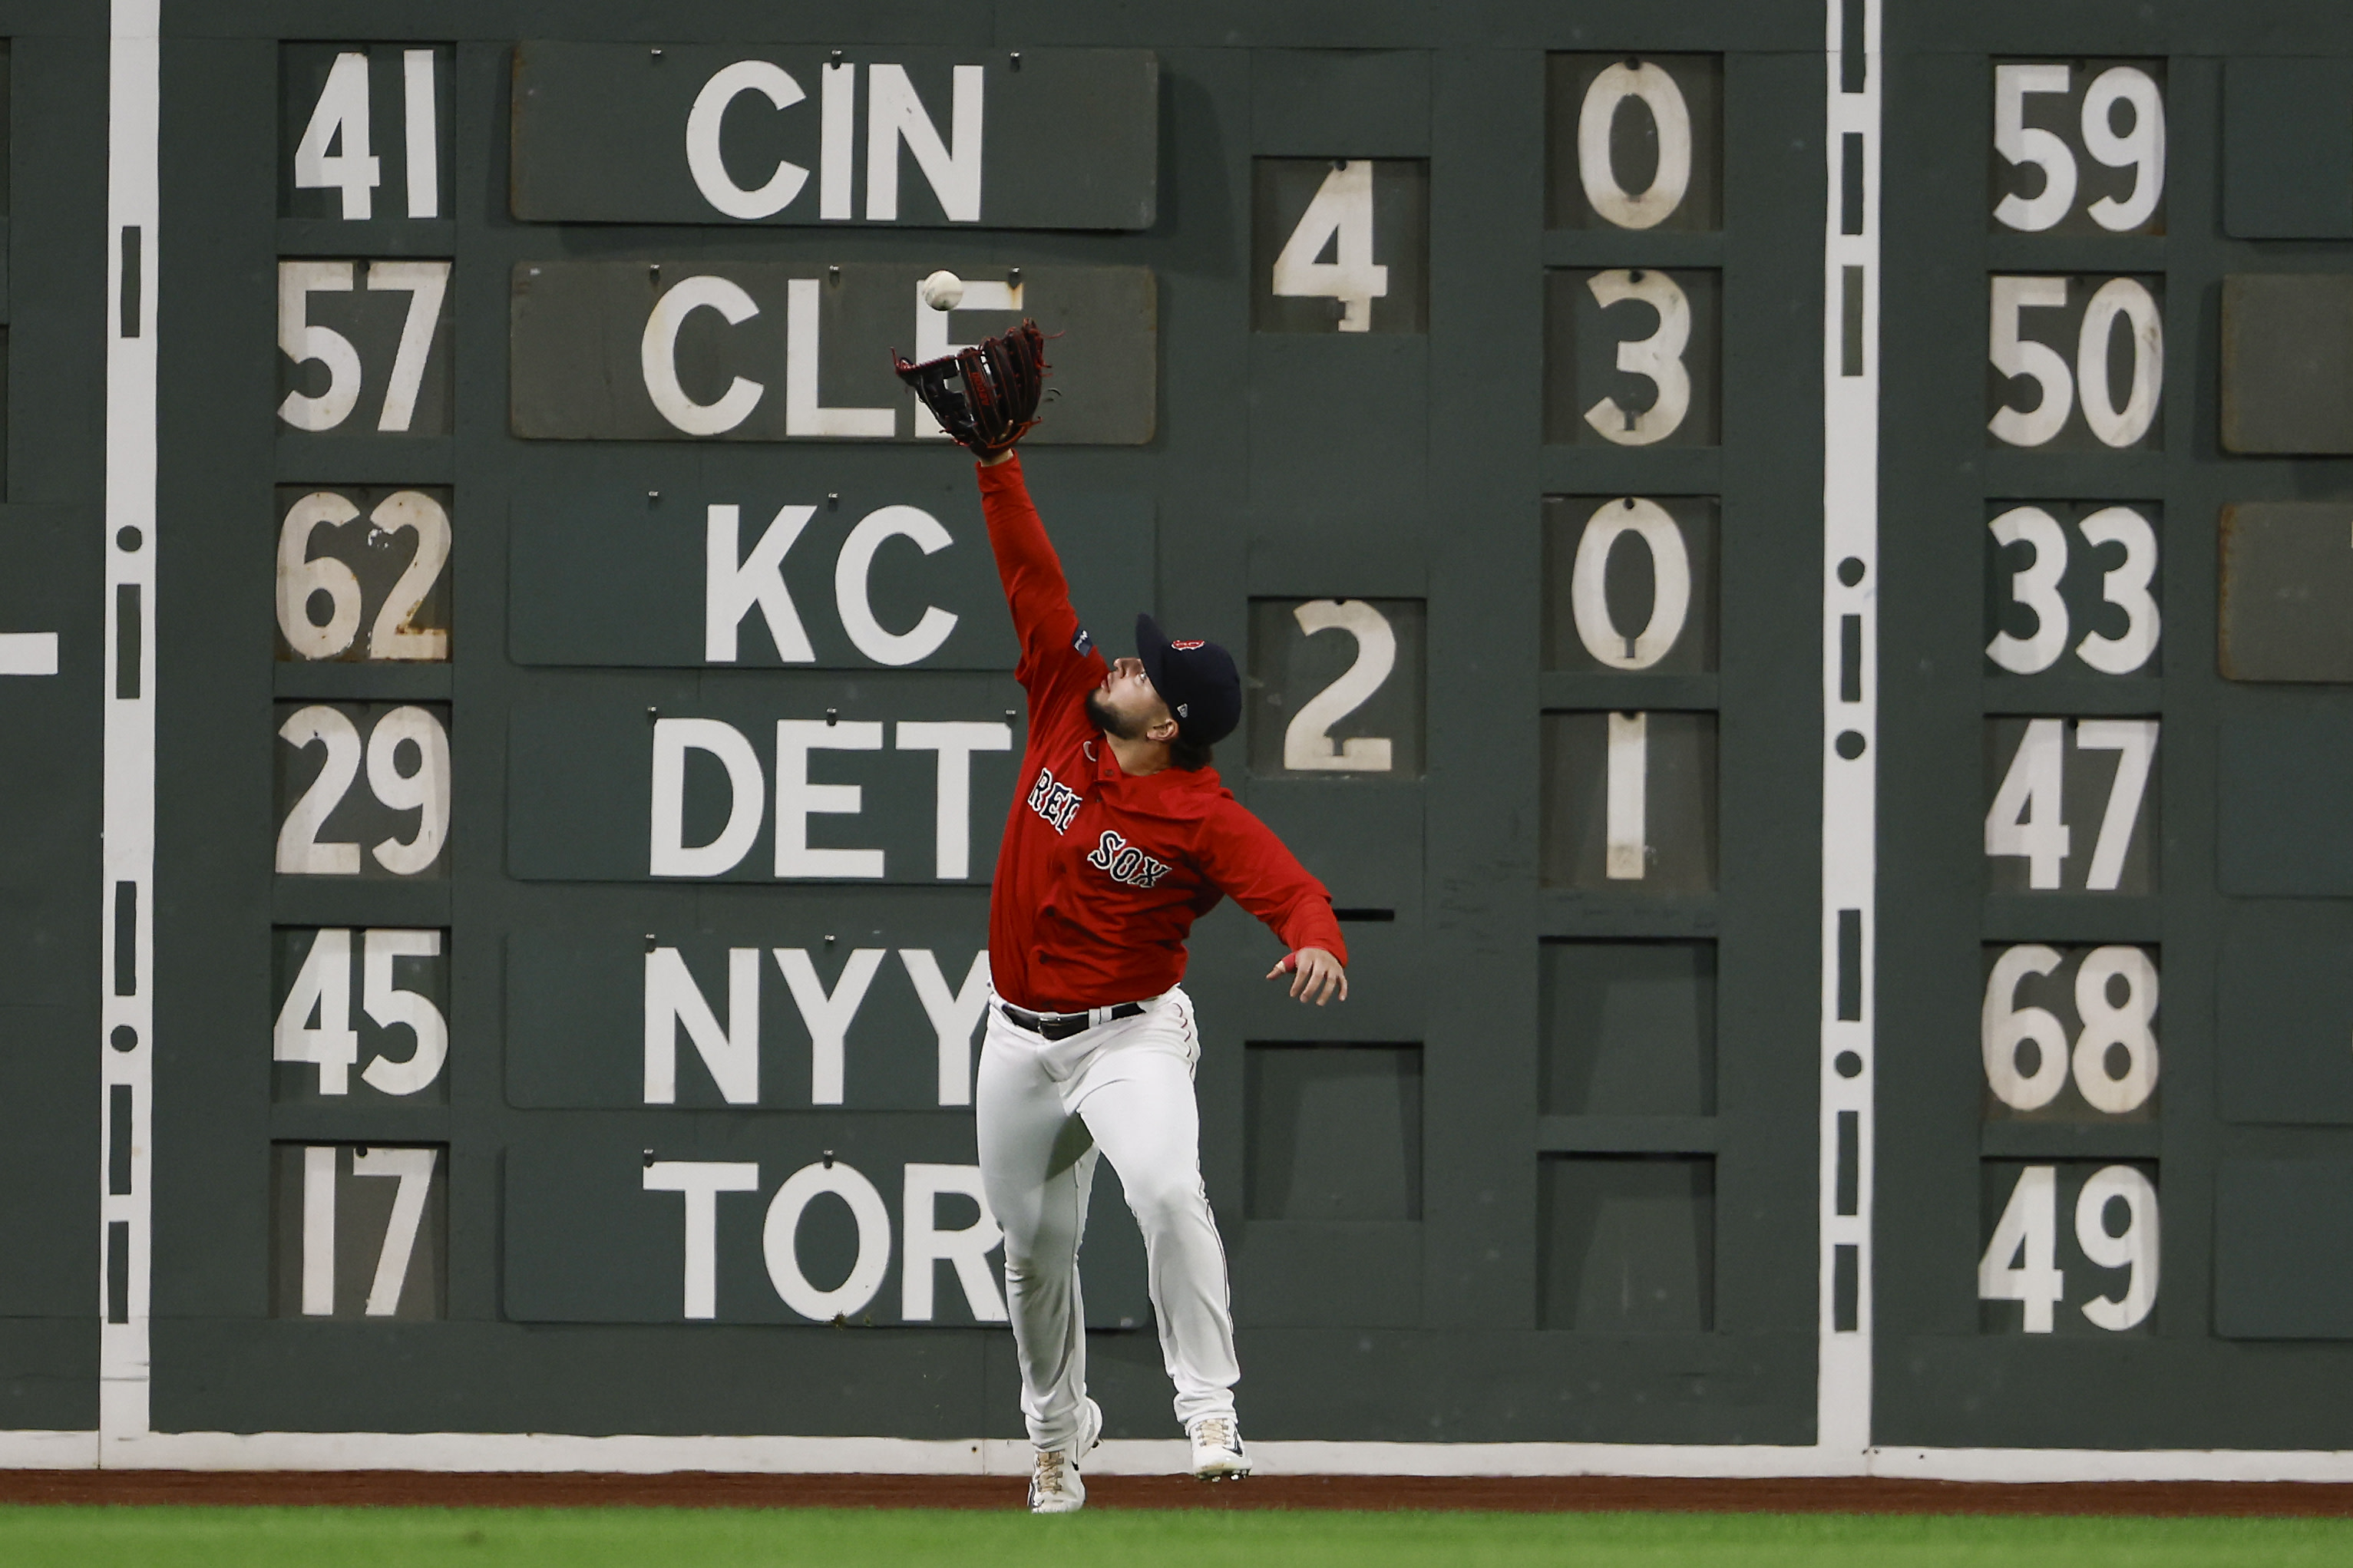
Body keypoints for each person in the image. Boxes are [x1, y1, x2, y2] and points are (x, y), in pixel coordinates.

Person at [969, 447, 1350, 1514]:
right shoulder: (1064, 708)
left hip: (1129, 1039)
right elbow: (1032, 581)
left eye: (1141, 674)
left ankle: (1208, 1406)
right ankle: (1057, 1433)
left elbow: (1292, 890)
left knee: (1165, 1187)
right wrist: (997, 465)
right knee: (1033, 1252)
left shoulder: (1201, 818)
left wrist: (1316, 938)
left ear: (1167, 725)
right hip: (1016, 1040)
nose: (1120, 670)